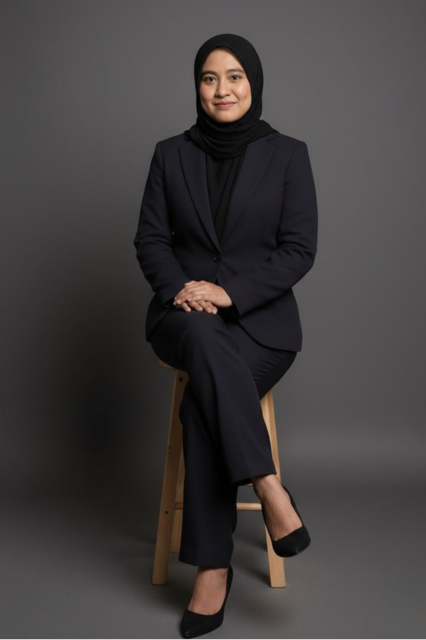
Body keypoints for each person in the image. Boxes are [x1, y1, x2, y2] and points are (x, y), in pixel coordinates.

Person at [134, 33, 318, 639]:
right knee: (203, 339)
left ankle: (213, 568)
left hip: (261, 326)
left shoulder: (288, 154)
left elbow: (299, 249)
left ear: (253, 83)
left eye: (234, 76)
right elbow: (150, 240)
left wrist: (228, 293)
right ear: (197, 86)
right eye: (210, 78)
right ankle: (269, 487)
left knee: (202, 402)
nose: (222, 90)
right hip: (181, 316)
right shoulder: (170, 154)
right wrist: (183, 291)